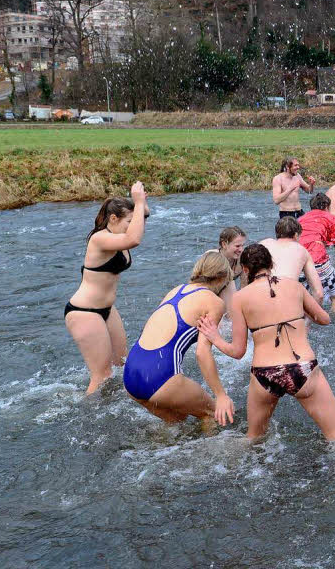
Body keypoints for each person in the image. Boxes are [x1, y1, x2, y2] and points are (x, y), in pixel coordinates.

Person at [198, 244, 335, 442]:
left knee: (253, 439)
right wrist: (301, 317)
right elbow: (325, 319)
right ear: (272, 264)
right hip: (303, 368)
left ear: (245, 269)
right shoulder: (294, 285)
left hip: (265, 373)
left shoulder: (239, 298)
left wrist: (215, 337)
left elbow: (238, 351)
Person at [123, 252, 234, 427]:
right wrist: (221, 395)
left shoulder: (176, 290)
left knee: (177, 421)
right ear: (222, 278)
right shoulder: (214, 302)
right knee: (213, 414)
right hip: (159, 376)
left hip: (130, 375)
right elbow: (202, 353)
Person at [65, 183, 148, 394]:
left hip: (108, 310)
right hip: (84, 312)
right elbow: (134, 239)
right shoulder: (100, 238)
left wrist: (140, 201)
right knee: (102, 375)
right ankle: (88, 416)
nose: (133, 225)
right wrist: (137, 201)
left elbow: (143, 214)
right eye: (128, 221)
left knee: (121, 366)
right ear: (113, 219)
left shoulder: (119, 235)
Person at [299, 193, 335, 313]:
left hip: (298, 263)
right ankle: (333, 324)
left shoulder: (300, 219)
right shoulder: (331, 218)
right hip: (318, 261)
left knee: (303, 300)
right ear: (327, 206)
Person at [259, 216, 323, 302]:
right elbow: (319, 294)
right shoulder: (302, 250)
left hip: (260, 296)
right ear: (296, 235)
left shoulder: (264, 244)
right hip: (287, 300)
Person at [208, 226, 246, 311]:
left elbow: (245, 288)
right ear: (224, 244)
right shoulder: (211, 258)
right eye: (237, 246)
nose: (241, 250)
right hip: (208, 293)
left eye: (243, 245)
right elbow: (202, 286)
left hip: (227, 290)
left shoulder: (242, 260)